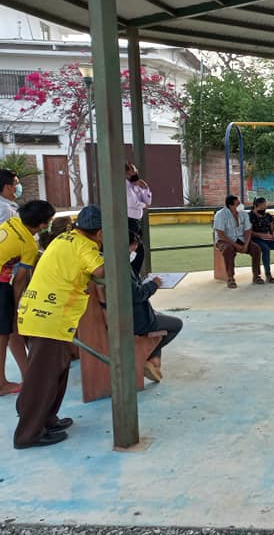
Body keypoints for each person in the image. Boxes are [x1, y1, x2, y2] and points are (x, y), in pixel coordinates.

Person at [14, 205, 106, 449]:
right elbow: (100, 270)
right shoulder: (85, 246)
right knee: (42, 378)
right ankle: (28, 434)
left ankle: (47, 419)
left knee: (56, 372)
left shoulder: (64, 239)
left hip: (42, 315)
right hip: (49, 319)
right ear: (99, 233)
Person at [0, 199, 55, 396]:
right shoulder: (29, 244)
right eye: (48, 221)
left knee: (13, 330)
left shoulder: (12, 222)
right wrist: (16, 305)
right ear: (41, 224)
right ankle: (0, 385)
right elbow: (20, 279)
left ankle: (28, 373)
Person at [128, 232, 183, 383]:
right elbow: (137, 294)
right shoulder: (123, 268)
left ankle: (154, 362)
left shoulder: (110, 263)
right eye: (133, 248)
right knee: (176, 324)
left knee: (159, 318)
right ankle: (149, 359)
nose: (134, 251)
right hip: (135, 320)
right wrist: (153, 284)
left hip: (128, 315)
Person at [213, 194, 263, 289]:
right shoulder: (220, 214)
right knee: (229, 249)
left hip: (241, 239)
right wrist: (236, 245)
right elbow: (221, 234)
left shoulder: (243, 214)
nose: (241, 205)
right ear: (231, 206)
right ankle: (230, 278)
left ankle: (256, 276)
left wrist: (246, 245)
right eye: (238, 204)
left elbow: (248, 230)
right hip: (224, 240)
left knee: (256, 249)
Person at [249, 197, 274, 283]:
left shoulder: (268, 216)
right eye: (261, 207)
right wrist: (262, 235)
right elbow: (250, 232)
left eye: (265, 207)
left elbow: (272, 228)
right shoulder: (251, 216)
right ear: (255, 206)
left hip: (269, 238)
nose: (264, 209)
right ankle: (268, 274)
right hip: (257, 239)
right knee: (266, 249)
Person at [125, 161, 152, 276]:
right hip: (129, 221)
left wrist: (146, 188)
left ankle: (134, 275)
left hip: (136, 222)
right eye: (132, 171)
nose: (135, 173)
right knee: (138, 250)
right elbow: (132, 203)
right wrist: (143, 205)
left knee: (138, 250)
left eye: (135, 170)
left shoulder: (136, 186)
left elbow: (148, 201)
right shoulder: (125, 185)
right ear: (126, 173)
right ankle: (133, 276)